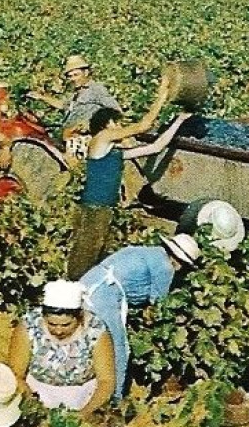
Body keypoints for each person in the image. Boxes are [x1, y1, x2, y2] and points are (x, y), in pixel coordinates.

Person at [66, 79, 190, 279]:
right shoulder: (102, 138)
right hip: (94, 209)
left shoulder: (113, 152)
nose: (120, 128)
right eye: (117, 123)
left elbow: (155, 148)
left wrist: (179, 121)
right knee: (84, 257)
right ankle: (71, 293)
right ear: (107, 124)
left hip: (105, 209)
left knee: (98, 256)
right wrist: (162, 94)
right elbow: (143, 125)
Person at [79, 234, 205, 400]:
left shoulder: (147, 251)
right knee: (118, 350)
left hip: (86, 283)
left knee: (82, 340)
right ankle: (113, 400)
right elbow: (158, 306)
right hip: (104, 296)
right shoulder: (166, 267)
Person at [9, 279, 116, 416]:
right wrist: (35, 406)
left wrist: (84, 414)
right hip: (36, 393)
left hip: (84, 397)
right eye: (52, 324)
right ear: (43, 316)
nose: (58, 331)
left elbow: (106, 381)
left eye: (66, 325)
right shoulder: (29, 325)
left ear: (79, 317)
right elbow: (16, 374)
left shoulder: (95, 330)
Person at [27, 54, 121, 144]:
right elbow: (63, 105)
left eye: (76, 75)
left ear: (86, 73)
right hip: (66, 134)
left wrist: (90, 125)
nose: (73, 79)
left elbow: (115, 109)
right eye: (70, 76)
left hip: (82, 138)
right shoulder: (76, 94)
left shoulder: (96, 89)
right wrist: (41, 97)